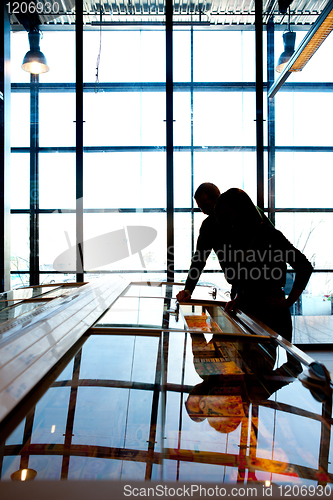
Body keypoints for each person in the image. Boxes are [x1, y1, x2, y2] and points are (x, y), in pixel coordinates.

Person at [214, 188, 313, 342]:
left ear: (242, 210)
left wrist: (287, 302)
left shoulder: (269, 235)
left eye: (228, 215)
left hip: (269, 315)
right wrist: (239, 298)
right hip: (250, 312)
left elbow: (304, 267)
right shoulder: (243, 237)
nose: (227, 221)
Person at [176, 183, 221, 302]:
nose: (204, 212)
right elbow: (199, 260)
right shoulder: (209, 225)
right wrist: (188, 289)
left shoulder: (210, 225)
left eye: (205, 206)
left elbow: (199, 261)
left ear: (218, 197)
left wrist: (188, 289)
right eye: (201, 208)